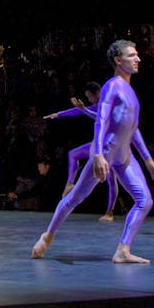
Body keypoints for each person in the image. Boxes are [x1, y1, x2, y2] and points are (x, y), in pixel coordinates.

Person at [32, 39, 154, 264]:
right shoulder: (112, 86)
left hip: (123, 156)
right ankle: (48, 235)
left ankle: (123, 250)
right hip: (107, 152)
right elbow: (100, 121)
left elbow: (133, 128)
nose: (138, 58)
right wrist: (99, 154)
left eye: (137, 54)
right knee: (76, 197)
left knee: (145, 200)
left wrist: (148, 160)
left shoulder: (130, 90)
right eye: (132, 55)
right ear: (118, 61)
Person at [44, 82, 120, 222]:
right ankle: (70, 183)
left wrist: (84, 108)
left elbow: (98, 117)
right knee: (73, 154)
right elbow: (78, 111)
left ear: (97, 93)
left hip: (111, 148)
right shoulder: (95, 105)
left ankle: (110, 211)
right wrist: (59, 114)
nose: (89, 100)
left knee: (111, 179)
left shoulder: (108, 104)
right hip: (97, 146)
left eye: (89, 97)